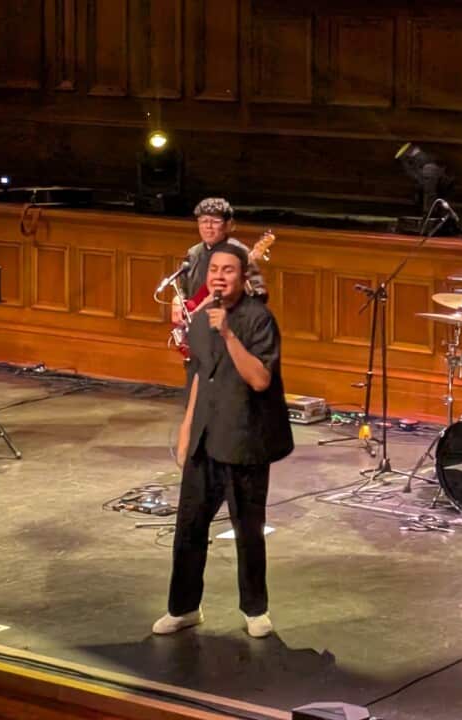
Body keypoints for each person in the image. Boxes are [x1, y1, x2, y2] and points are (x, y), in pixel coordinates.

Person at [153, 242, 293, 638]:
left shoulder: (259, 320)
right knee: (189, 526)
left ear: (242, 276)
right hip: (206, 436)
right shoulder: (200, 321)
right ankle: (183, 607)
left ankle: (255, 609)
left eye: (227, 270)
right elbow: (199, 376)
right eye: (214, 268)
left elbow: (260, 379)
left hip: (245, 440)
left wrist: (228, 334)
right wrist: (185, 432)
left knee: (248, 530)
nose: (218, 275)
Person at [169, 197, 268, 328]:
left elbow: (260, 295)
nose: (208, 227)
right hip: (198, 325)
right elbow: (183, 287)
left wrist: (242, 288)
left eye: (215, 222)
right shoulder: (194, 253)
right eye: (203, 221)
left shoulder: (240, 253)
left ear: (228, 224)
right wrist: (177, 300)